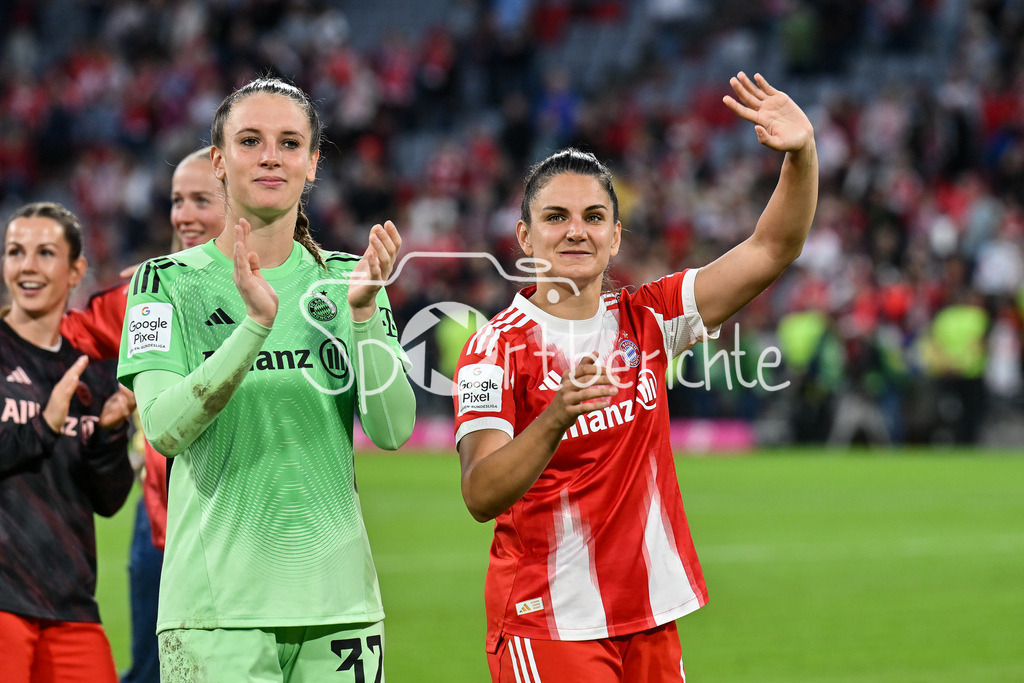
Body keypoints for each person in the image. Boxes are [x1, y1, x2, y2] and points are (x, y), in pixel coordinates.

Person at [454, 72, 818, 682]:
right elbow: (480, 493)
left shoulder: (648, 317)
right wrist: (554, 418)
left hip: (648, 615)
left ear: (616, 236)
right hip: (550, 623)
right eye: (556, 216)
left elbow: (771, 248)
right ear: (524, 236)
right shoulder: (495, 348)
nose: (577, 230)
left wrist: (801, 155)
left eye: (595, 216)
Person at [116, 77, 416, 682]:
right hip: (216, 615)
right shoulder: (163, 282)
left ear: (313, 164)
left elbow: (393, 429)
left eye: (289, 142)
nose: (271, 156)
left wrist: (362, 317)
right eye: (251, 140)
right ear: (219, 162)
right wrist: (254, 325)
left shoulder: (348, 281)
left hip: (341, 610)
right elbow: (164, 428)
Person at [63, 146, 226, 683]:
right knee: (153, 674)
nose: (183, 214)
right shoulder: (144, 290)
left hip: (249, 529)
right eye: (178, 200)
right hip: (159, 526)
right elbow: (64, 340)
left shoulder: (280, 286)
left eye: (201, 199)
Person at [0, 201, 134, 683]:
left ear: (76, 269)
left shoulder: (94, 371)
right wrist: (45, 423)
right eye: (15, 252)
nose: (27, 266)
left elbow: (109, 499)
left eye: (44, 253)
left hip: (71, 604)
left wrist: (110, 434)